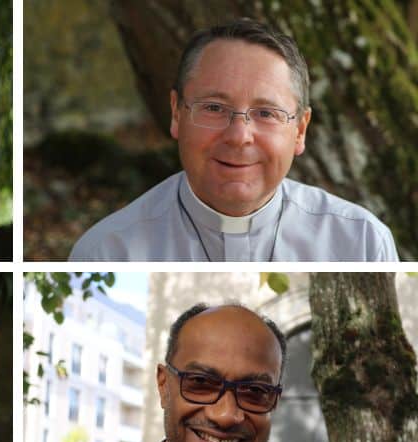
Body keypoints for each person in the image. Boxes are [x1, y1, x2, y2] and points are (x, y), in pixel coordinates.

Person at [69, 19, 397, 261]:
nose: (239, 137)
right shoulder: (107, 252)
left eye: (266, 113)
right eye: (214, 108)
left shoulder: (362, 243)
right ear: (177, 114)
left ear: (300, 130)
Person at [26, 303, 353, 442]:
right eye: (201, 383)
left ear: (274, 402)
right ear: (164, 384)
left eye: (254, 391)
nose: (226, 415)